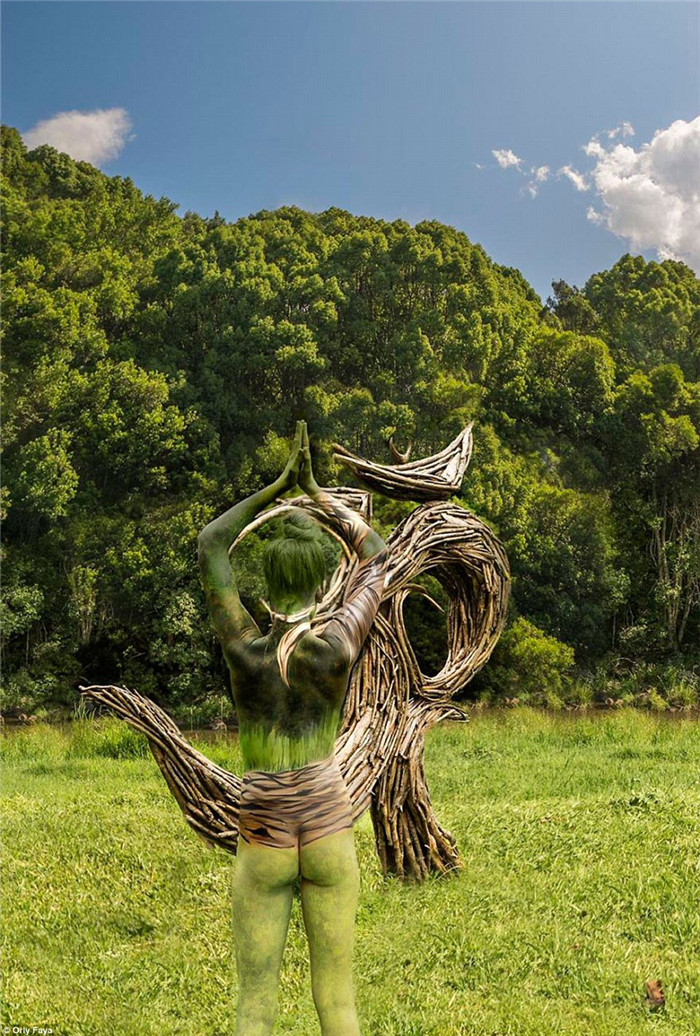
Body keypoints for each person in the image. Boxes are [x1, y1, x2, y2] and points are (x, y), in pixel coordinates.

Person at [197, 421, 389, 1036]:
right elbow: (377, 555)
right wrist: (318, 494)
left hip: (263, 825)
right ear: (319, 576)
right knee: (338, 1001)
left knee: (255, 1003)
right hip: (329, 819)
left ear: (269, 578)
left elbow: (210, 544)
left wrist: (275, 489)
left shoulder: (245, 648)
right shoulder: (335, 646)